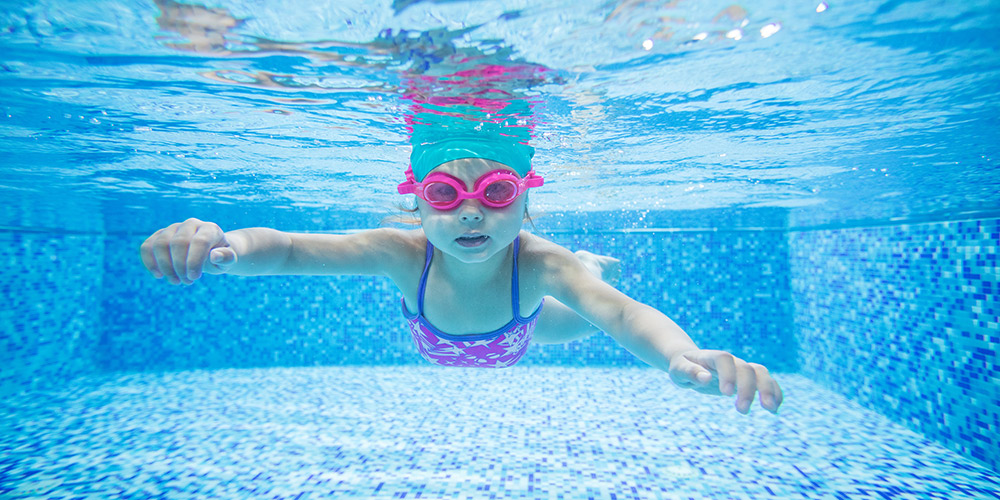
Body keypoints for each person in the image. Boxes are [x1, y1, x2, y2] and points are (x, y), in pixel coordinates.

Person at [139, 118, 783, 416]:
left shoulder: (537, 261)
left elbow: (623, 315)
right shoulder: (400, 251)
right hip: (441, 330)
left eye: (497, 193)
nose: (470, 214)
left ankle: (590, 264)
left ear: (527, 202)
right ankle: (588, 267)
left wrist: (683, 352)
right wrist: (227, 246)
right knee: (582, 302)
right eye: (446, 196)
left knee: (589, 310)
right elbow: (290, 249)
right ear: (416, 202)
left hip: (522, 330)